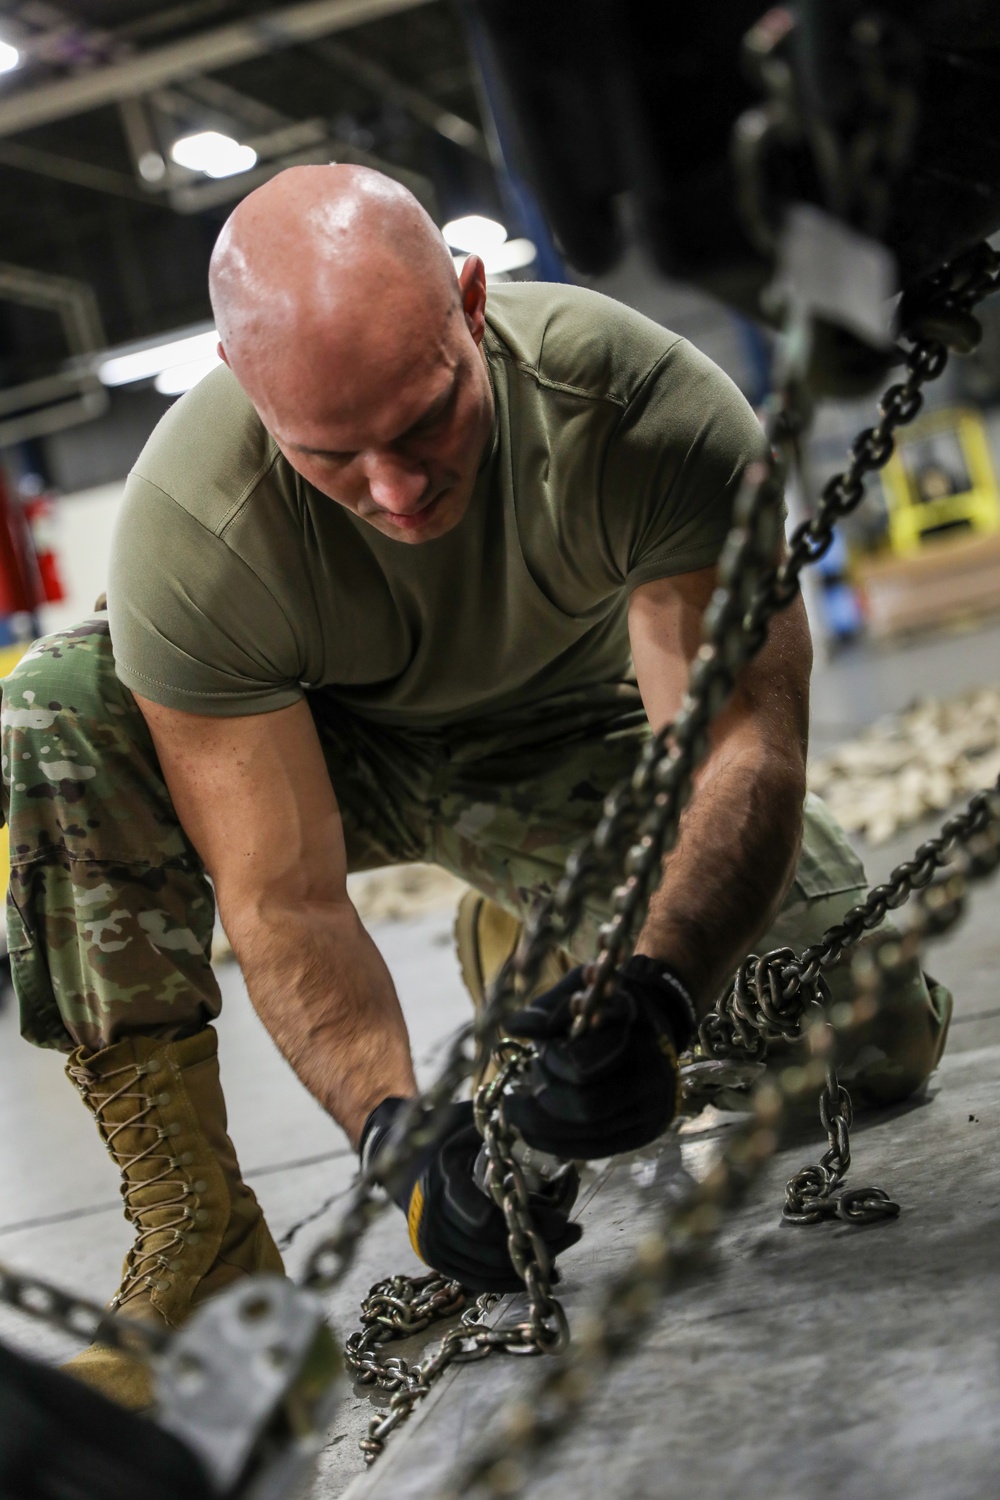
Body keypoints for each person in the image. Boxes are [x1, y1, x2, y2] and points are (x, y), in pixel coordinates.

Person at [0, 165, 950, 1410]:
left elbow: (736, 743)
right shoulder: (193, 520)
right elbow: (283, 898)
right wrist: (396, 1140)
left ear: (471, 303)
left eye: (424, 419)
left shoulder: (639, 409)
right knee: (60, 703)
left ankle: (530, 940)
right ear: (246, 388)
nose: (395, 489)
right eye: (333, 454)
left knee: (875, 1032)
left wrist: (663, 986)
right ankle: (202, 1245)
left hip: (570, 741)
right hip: (330, 753)